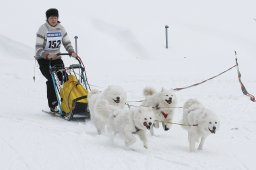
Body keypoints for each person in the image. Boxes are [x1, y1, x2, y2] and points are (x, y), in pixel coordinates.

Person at [35, 8, 78, 112]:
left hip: (57, 58)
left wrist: (71, 51)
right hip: (43, 59)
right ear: (47, 18)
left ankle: (69, 101)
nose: (54, 20)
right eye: (51, 18)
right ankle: (53, 104)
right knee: (51, 79)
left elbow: (67, 43)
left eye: (55, 17)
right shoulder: (43, 29)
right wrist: (46, 55)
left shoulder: (61, 29)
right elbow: (38, 48)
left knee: (64, 79)